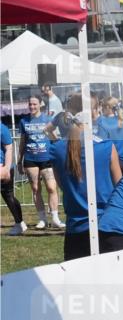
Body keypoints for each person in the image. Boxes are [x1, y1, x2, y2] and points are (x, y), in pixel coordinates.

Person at [50, 94, 122, 260]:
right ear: (94, 112)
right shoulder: (106, 147)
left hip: (75, 229)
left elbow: (62, 185)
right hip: (106, 226)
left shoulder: (56, 150)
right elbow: (120, 187)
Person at [18, 95, 64, 229]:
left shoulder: (48, 119)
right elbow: (22, 142)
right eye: (30, 104)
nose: (32, 106)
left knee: (51, 187)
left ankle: (55, 218)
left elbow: (54, 139)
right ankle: (43, 219)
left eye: (34, 104)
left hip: (47, 158)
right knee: (35, 188)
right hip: (30, 159)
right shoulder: (23, 121)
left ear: (40, 104)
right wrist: (19, 161)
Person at [97, 97, 123, 175]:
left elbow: (102, 145)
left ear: (107, 107)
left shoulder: (102, 123)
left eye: (102, 107)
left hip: (113, 163)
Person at [1, 120, 26, 235]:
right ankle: (20, 223)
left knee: (8, 196)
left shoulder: (2, 129)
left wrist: (6, 169)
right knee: (8, 196)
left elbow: (9, 149)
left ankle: (19, 223)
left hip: (3, 167)